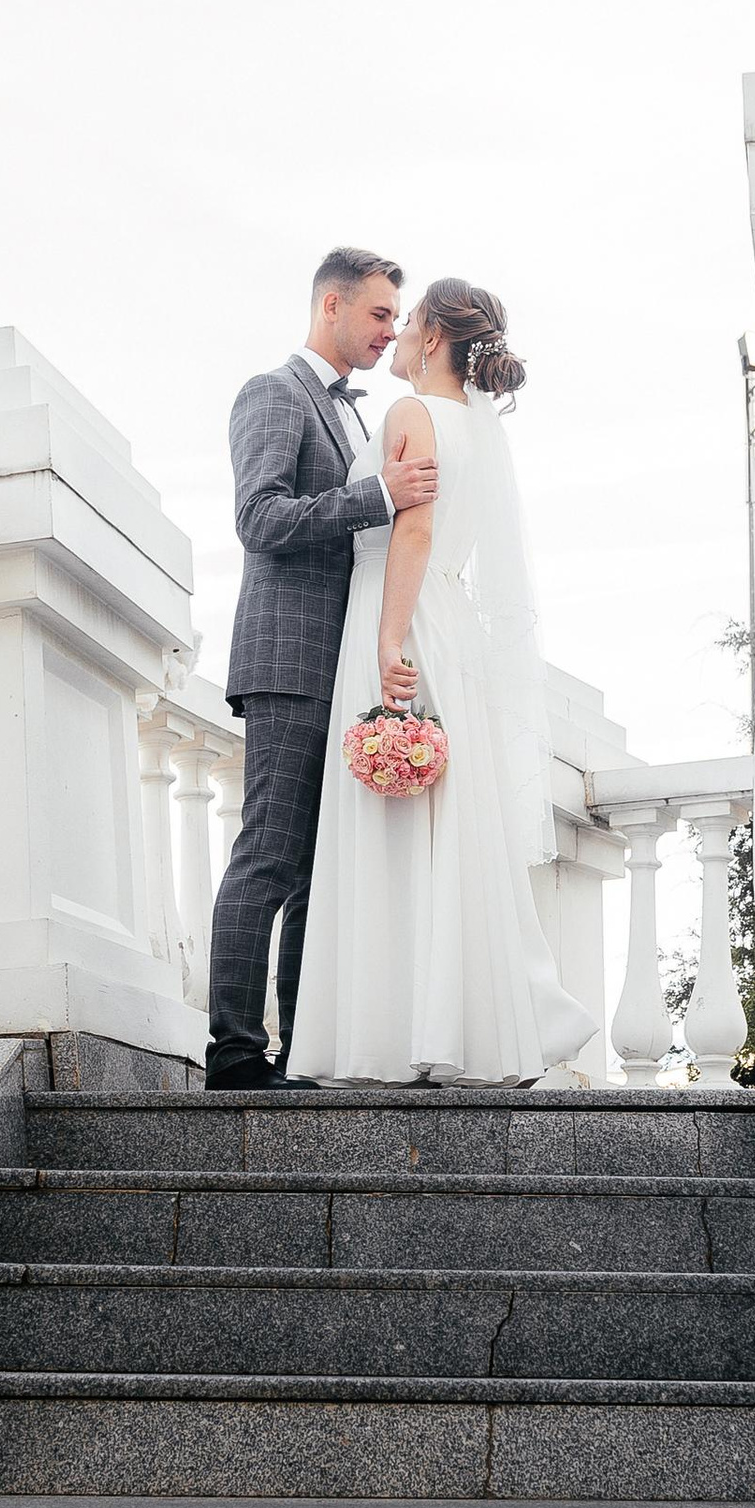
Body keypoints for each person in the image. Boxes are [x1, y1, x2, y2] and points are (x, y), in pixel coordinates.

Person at [284, 278, 594, 1085]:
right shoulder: (476, 430)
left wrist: (388, 638)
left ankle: (390, 1032)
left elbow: (412, 529)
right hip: (447, 622)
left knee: (392, 827)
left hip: (403, 617)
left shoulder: (412, 415)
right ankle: (460, 1027)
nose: (400, 330)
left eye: (409, 318)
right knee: (447, 826)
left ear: (431, 340)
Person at [205, 247, 438, 1090]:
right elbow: (259, 519)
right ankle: (233, 1052)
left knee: (313, 868)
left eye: (395, 318)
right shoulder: (272, 392)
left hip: (337, 663)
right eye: (379, 314)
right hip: (287, 655)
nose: (390, 332)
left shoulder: (349, 414)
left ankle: (299, 1048)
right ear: (330, 304)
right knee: (268, 854)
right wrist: (380, 496)